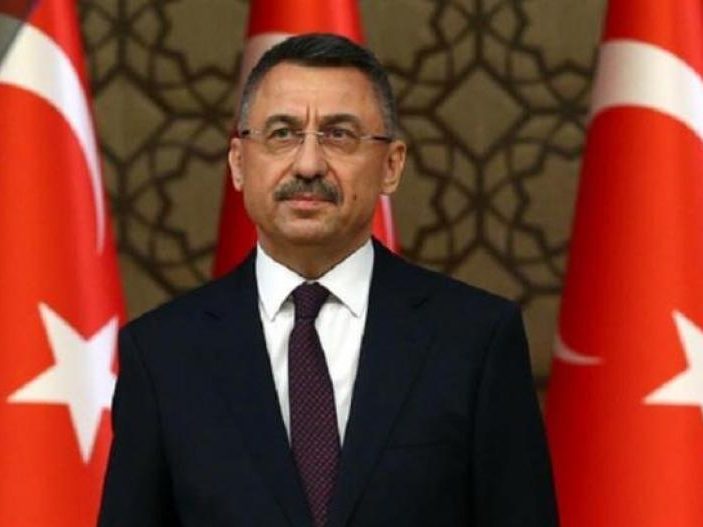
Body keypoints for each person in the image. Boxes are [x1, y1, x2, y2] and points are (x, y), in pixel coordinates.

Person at [98, 33, 558, 527]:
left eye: (339, 134)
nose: (309, 164)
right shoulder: (162, 353)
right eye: (282, 133)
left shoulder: (475, 339)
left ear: (392, 165)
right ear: (238, 162)